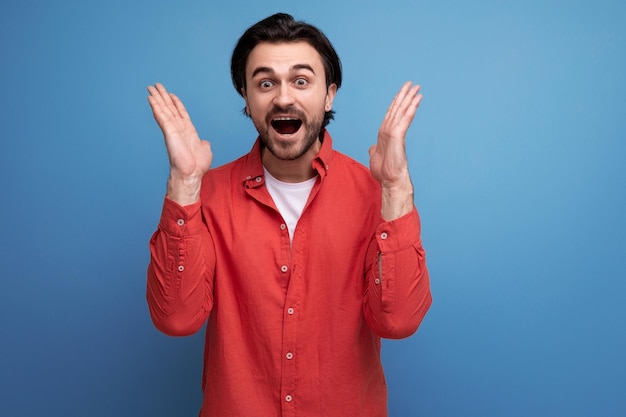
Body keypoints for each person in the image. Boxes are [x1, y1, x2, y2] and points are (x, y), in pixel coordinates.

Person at [146, 12, 431, 417]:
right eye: (265, 83)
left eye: (301, 80)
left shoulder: (378, 195)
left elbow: (398, 322)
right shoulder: (203, 195)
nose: (283, 98)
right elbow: (176, 319)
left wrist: (397, 187)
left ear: (329, 95)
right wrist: (185, 182)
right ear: (246, 97)